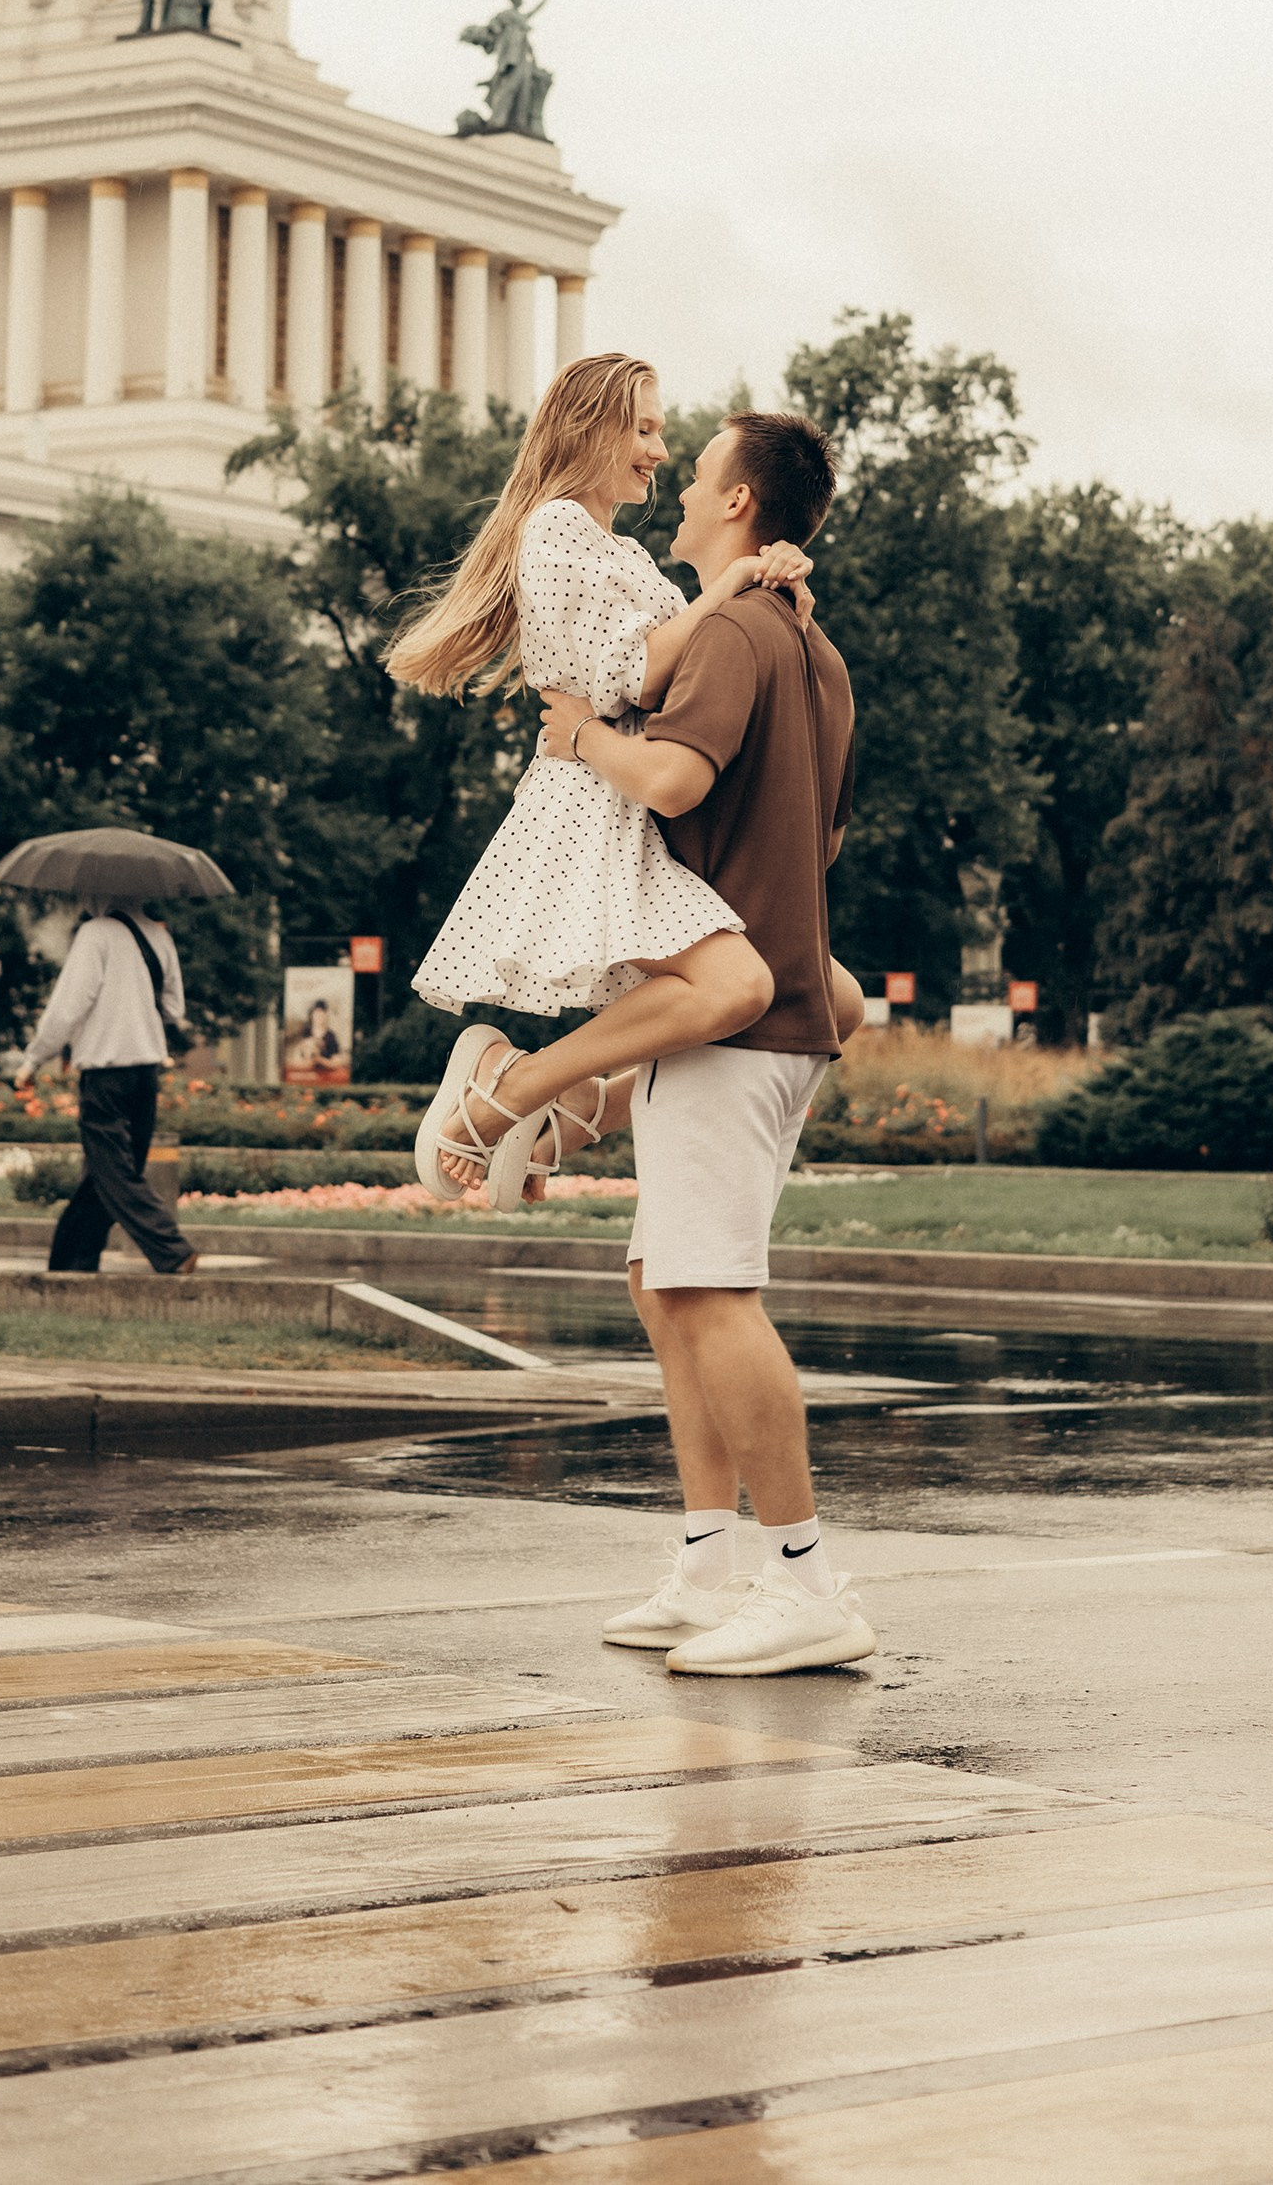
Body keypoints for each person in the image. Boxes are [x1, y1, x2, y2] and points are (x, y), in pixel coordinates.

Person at [480, 408, 877, 1677]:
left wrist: (580, 735)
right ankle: (712, 1559)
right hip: (765, 1014)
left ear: (742, 507)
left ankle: (805, 1577)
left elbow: (677, 782)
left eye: (700, 474)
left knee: (710, 1292)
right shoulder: (814, 648)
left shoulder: (738, 635)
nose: (682, 487)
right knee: (665, 1283)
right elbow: (813, 842)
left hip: (734, 1017)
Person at [392, 354, 811, 1201]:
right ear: (592, 429)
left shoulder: (608, 544)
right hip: (598, 802)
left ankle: (567, 1108)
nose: (659, 450)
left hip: (621, 791)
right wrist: (731, 586)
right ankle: (510, 1091)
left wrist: (772, 583)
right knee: (735, 988)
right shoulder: (554, 529)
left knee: (803, 991)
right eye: (645, 428)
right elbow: (639, 675)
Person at [13, 898, 200, 1277]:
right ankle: (71, 1264)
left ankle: (171, 1249)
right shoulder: (159, 935)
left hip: (105, 1072)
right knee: (105, 1175)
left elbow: (68, 1007)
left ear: (100, 890)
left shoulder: (94, 934)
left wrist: (34, 1059)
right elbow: (174, 1009)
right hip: (146, 1071)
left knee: (114, 1172)